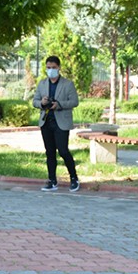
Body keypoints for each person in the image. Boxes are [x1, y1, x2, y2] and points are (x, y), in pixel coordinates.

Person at [32, 55, 81, 192]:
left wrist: (59, 105)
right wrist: (42, 103)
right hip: (46, 121)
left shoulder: (68, 84)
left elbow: (74, 102)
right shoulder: (42, 83)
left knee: (63, 150)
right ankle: (52, 180)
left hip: (61, 122)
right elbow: (34, 101)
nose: (51, 70)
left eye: (53, 68)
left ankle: (74, 178)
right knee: (50, 152)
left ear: (59, 68)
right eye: (48, 68)